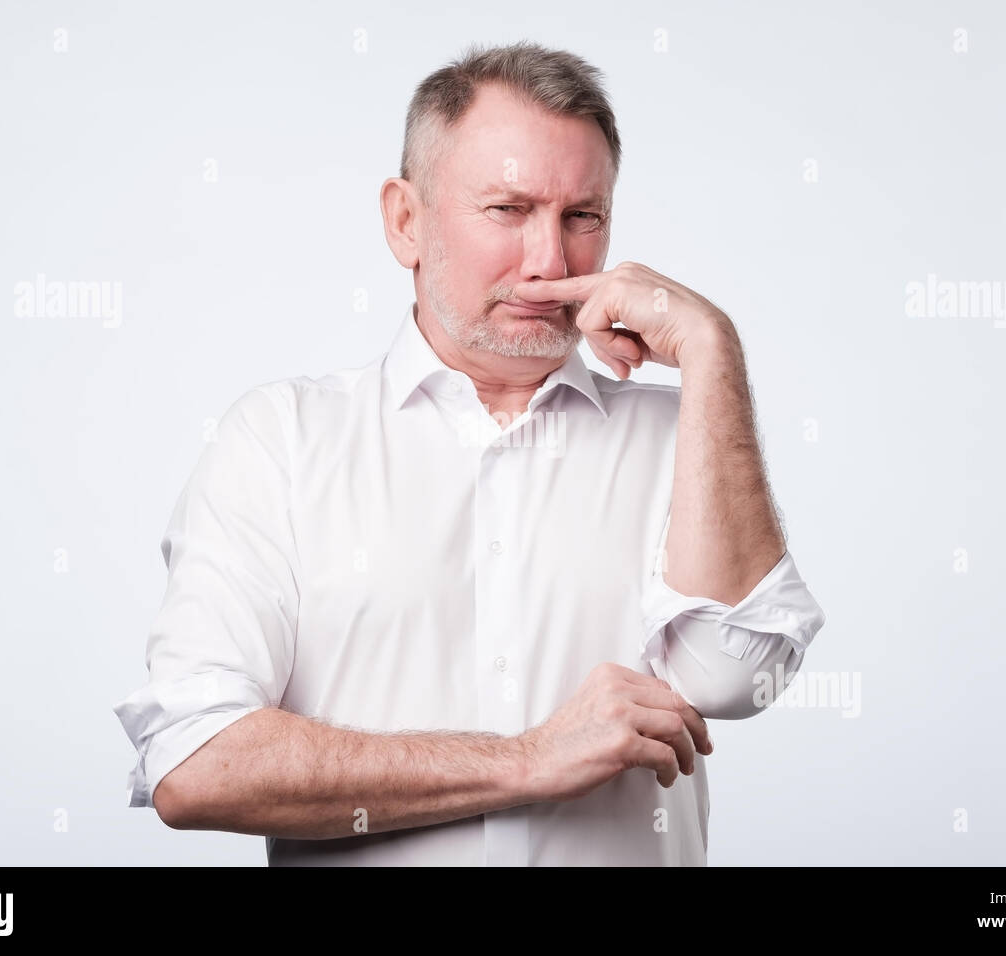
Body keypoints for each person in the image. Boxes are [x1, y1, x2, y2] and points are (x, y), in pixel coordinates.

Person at [113, 40, 826, 866]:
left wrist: (712, 349)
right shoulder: (281, 442)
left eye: (581, 217)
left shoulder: (682, 436)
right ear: (406, 221)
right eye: (508, 210)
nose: (549, 262)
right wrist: (526, 760)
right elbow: (197, 762)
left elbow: (735, 679)